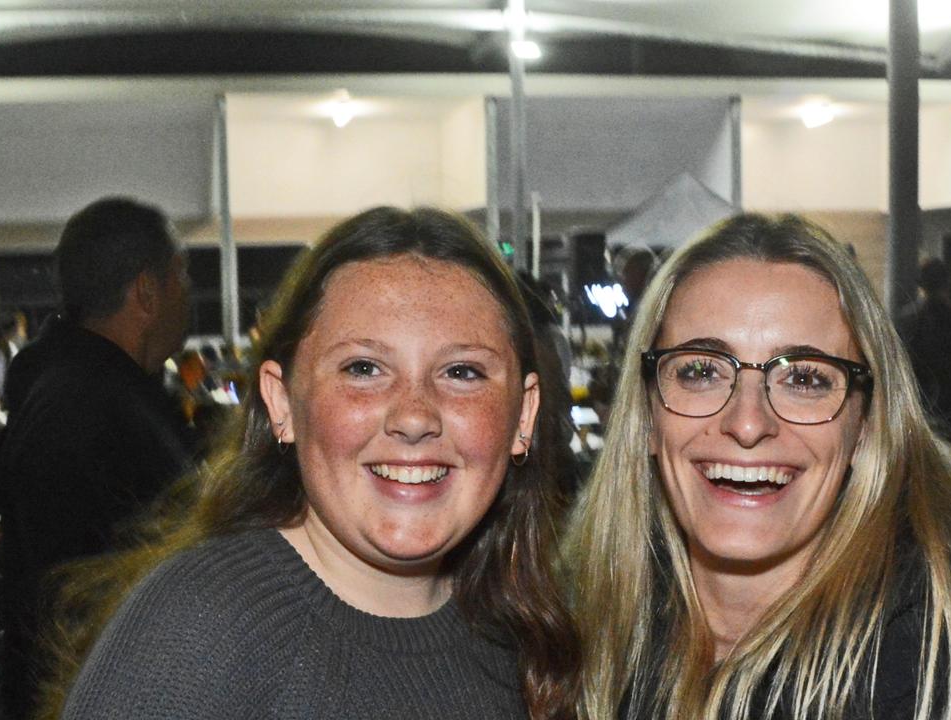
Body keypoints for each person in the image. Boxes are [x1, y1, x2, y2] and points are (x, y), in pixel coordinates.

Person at [564, 214, 951, 719]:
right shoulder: (551, 647)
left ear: (866, 426)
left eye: (805, 378)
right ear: (646, 414)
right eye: (700, 370)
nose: (748, 423)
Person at [44, 207, 578, 719]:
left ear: (524, 416)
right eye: (364, 368)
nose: (415, 417)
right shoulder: (195, 633)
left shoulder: (527, 640)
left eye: (462, 373)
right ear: (281, 404)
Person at [0, 197, 196, 720]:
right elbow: (83, 592)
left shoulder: (76, 388)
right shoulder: (90, 409)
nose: (191, 294)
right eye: (182, 275)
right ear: (147, 293)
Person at [896, 257, 951, 451]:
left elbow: (896, 367)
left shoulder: (906, 321)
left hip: (918, 412)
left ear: (920, 285)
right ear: (947, 285)